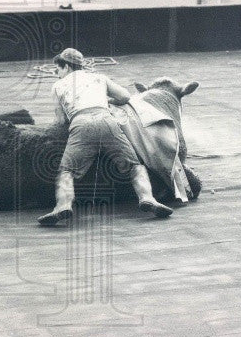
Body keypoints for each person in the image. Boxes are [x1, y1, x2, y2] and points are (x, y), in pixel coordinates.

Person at [39, 48, 172, 226]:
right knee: (134, 166)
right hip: (106, 120)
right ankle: (148, 198)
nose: (57, 74)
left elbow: (61, 120)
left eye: (58, 69)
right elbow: (125, 96)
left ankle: (62, 206)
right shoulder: (98, 77)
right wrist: (107, 101)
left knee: (67, 171)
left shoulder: (57, 86)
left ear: (67, 67)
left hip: (81, 123)